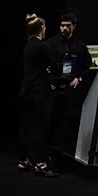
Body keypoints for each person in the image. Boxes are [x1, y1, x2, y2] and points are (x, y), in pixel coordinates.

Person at [46, 13, 92, 158]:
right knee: (51, 118)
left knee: (69, 119)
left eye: (68, 26)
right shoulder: (51, 43)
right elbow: (43, 65)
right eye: (62, 25)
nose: (64, 28)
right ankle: (49, 150)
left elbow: (87, 64)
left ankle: (66, 150)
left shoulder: (79, 45)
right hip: (53, 87)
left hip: (71, 87)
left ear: (74, 26)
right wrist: (49, 81)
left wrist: (79, 77)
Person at [19, 14, 60, 177]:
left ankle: (26, 160)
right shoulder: (43, 46)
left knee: (27, 126)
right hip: (39, 92)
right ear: (42, 28)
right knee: (40, 128)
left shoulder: (28, 45)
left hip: (26, 91)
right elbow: (55, 68)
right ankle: (40, 163)